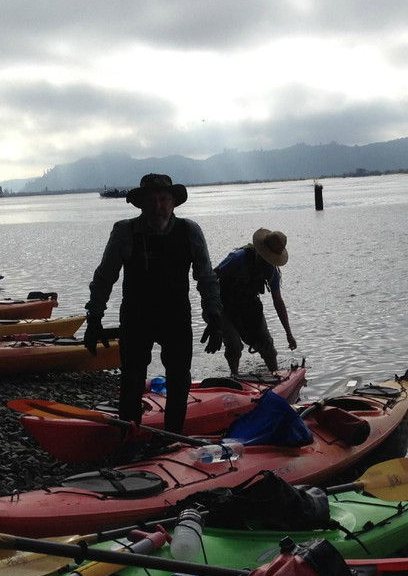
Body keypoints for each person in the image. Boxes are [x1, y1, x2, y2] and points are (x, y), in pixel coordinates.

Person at [83, 173, 223, 434]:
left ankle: (172, 438)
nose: (157, 207)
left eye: (163, 200)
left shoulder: (190, 231)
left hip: (176, 315)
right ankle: (128, 436)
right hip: (137, 316)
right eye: (151, 201)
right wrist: (94, 319)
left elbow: (206, 277)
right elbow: (104, 278)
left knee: (180, 379)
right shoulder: (125, 232)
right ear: (141, 205)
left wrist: (214, 318)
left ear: (173, 203)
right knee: (132, 378)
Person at [215, 228, 297, 375]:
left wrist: (289, 334)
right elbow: (212, 277)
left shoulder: (272, 272)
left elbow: (278, 301)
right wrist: (212, 312)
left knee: (268, 347)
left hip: (249, 307)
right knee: (234, 345)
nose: (268, 262)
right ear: (259, 251)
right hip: (225, 306)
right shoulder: (237, 258)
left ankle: (274, 376)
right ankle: (235, 375)